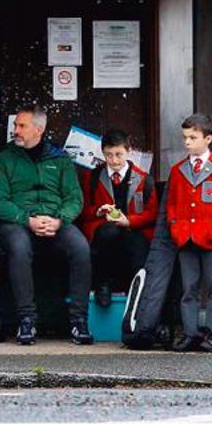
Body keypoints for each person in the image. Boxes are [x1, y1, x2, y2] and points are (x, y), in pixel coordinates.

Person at [0, 105, 93, 345]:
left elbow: (74, 198)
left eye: (21, 126)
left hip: (55, 221)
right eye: (15, 125)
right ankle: (27, 320)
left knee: (80, 247)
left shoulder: (60, 159)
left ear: (38, 129)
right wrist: (27, 219)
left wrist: (59, 220)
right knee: (19, 246)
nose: (16, 130)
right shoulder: (3, 160)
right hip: (18, 223)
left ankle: (79, 321)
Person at [166, 114, 212, 352]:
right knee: (189, 288)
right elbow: (173, 204)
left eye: (192, 137)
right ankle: (191, 333)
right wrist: (176, 227)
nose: (187, 142)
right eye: (185, 137)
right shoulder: (178, 170)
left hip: (211, 239)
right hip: (185, 237)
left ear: (208, 139)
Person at [79, 129, 157, 308]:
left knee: (137, 243)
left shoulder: (144, 180)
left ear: (129, 151)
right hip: (104, 231)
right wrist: (98, 212)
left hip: (133, 230)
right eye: (108, 155)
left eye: (118, 155)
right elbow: (83, 210)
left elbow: (152, 214)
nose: (113, 160)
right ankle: (103, 285)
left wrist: (129, 221)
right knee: (107, 232)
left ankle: (136, 294)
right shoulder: (92, 177)